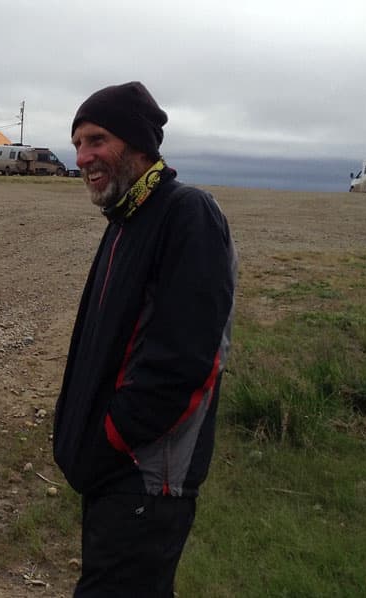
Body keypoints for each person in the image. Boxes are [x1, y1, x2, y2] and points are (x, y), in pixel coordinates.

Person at [53, 81, 237, 597]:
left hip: (146, 475)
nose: (83, 157)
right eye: (77, 145)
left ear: (137, 144)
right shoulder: (125, 221)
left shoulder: (186, 214)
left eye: (96, 140)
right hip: (115, 473)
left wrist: (111, 438)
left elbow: (186, 360)